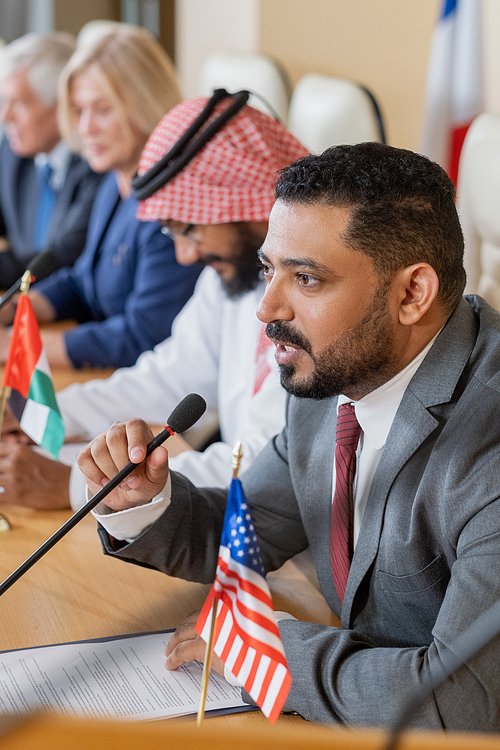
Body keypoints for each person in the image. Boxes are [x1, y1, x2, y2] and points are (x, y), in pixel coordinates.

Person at [79, 142, 500, 732]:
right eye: (267, 270)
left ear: (412, 294)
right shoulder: (336, 376)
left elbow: (462, 704)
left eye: (306, 278)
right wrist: (144, 501)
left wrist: (267, 650)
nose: (267, 308)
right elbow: (242, 527)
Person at [0, 93, 307, 509]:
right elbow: (171, 377)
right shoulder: (233, 273)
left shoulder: (311, 300)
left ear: (240, 198)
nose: (185, 255)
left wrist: (78, 486)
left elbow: (265, 465)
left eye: (189, 230)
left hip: (285, 554)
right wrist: (41, 413)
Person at [0, 25, 200, 369]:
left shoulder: (172, 204)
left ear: (146, 105)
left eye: (103, 110)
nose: (85, 128)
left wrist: (18, 344)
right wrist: (15, 309)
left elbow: (143, 336)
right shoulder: (115, 181)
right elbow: (81, 281)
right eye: (79, 110)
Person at [0, 32, 104, 288]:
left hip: (64, 313)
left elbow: (61, 257)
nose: (5, 117)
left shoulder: (96, 164)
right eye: (3, 101)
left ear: (62, 105)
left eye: (18, 103)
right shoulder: (14, 151)